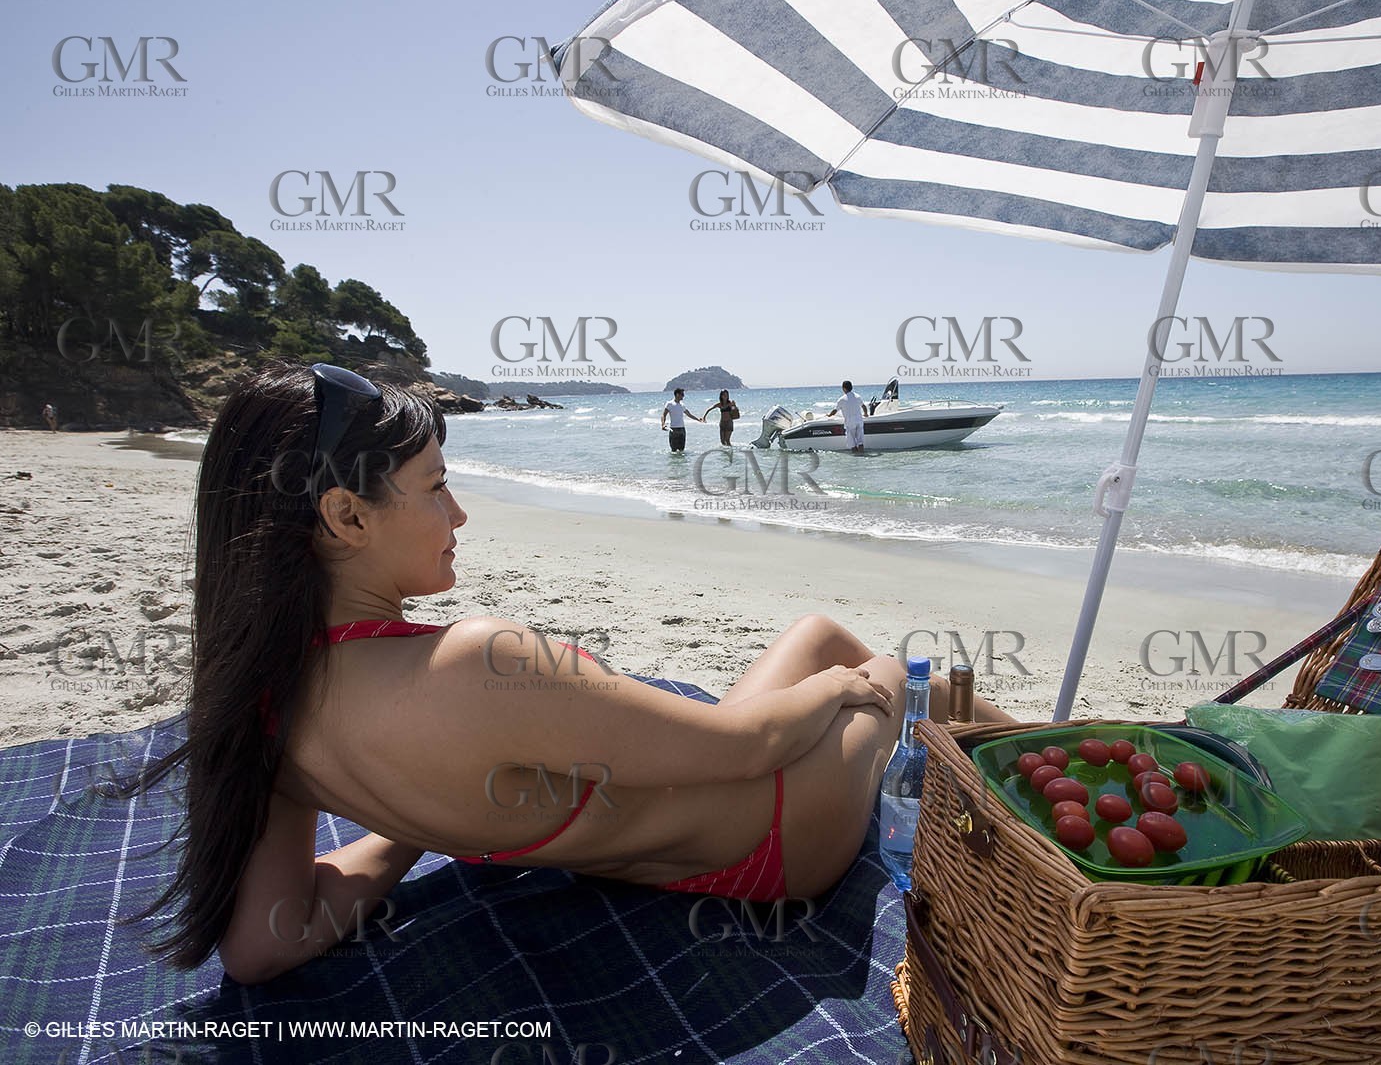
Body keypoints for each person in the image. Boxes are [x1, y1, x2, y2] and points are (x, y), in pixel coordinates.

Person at [105, 363, 1018, 985]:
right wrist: (856, 692)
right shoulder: (478, 661)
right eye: (433, 486)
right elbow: (744, 749)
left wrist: (416, 824)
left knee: (816, 630)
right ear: (345, 514)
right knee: (903, 670)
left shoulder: (264, 707)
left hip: (680, 860)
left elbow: (269, 946)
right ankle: (1052, 785)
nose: (458, 511)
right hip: (782, 840)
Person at [829, 381, 867, 454]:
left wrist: (829, 415)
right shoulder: (857, 396)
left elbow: (835, 410)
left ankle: (856, 458)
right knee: (860, 442)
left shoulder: (842, 399)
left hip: (850, 422)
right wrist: (865, 414)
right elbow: (864, 406)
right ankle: (862, 456)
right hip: (859, 421)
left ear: (844, 388)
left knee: (852, 443)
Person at [660, 388, 703, 453]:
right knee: (673, 451)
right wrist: (663, 424)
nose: (683, 396)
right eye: (682, 394)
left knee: (681, 451)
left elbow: (689, 414)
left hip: (682, 429)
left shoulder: (682, 405)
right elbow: (663, 415)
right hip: (673, 429)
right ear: (677, 394)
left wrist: (698, 419)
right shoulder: (669, 404)